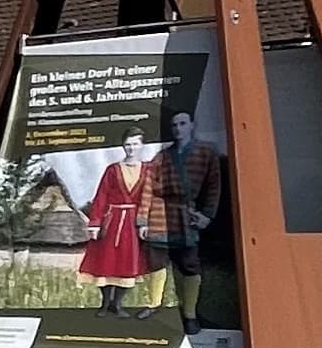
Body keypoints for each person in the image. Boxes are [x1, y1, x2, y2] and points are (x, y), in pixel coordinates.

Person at [143, 109, 227, 331]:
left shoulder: (206, 153)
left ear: (191, 125)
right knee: (156, 262)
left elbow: (214, 186)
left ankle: (190, 315)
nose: (178, 129)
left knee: (190, 265)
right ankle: (154, 305)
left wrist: (207, 215)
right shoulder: (161, 156)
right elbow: (148, 188)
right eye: (174, 125)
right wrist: (142, 219)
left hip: (186, 215)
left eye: (182, 124)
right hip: (160, 215)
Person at [78, 134, 151, 313]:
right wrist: (95, 223)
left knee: (127, 262)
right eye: (127, 144)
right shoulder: (113, 169)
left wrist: (144, 223)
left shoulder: (148, 170)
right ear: (123, 146)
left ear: (141, 145)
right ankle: (105, 303)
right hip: (111, 221)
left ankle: (117, 304)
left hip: (133, 223)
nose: (131, 148)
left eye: (135, 144)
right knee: (106, 261)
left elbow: (149, 197)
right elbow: (101, 196)